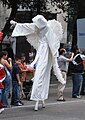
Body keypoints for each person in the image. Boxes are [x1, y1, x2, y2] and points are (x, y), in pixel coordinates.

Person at [10, 15, 66, 111]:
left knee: (42, 74)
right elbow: (27, 26)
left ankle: (39, 97)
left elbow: (53, 43)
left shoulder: (48, 29)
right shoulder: (37, 26)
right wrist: (16, 24)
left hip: (45, 52)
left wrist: (54, 57)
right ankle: (39, 97)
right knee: (40, 74)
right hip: (41, 49)